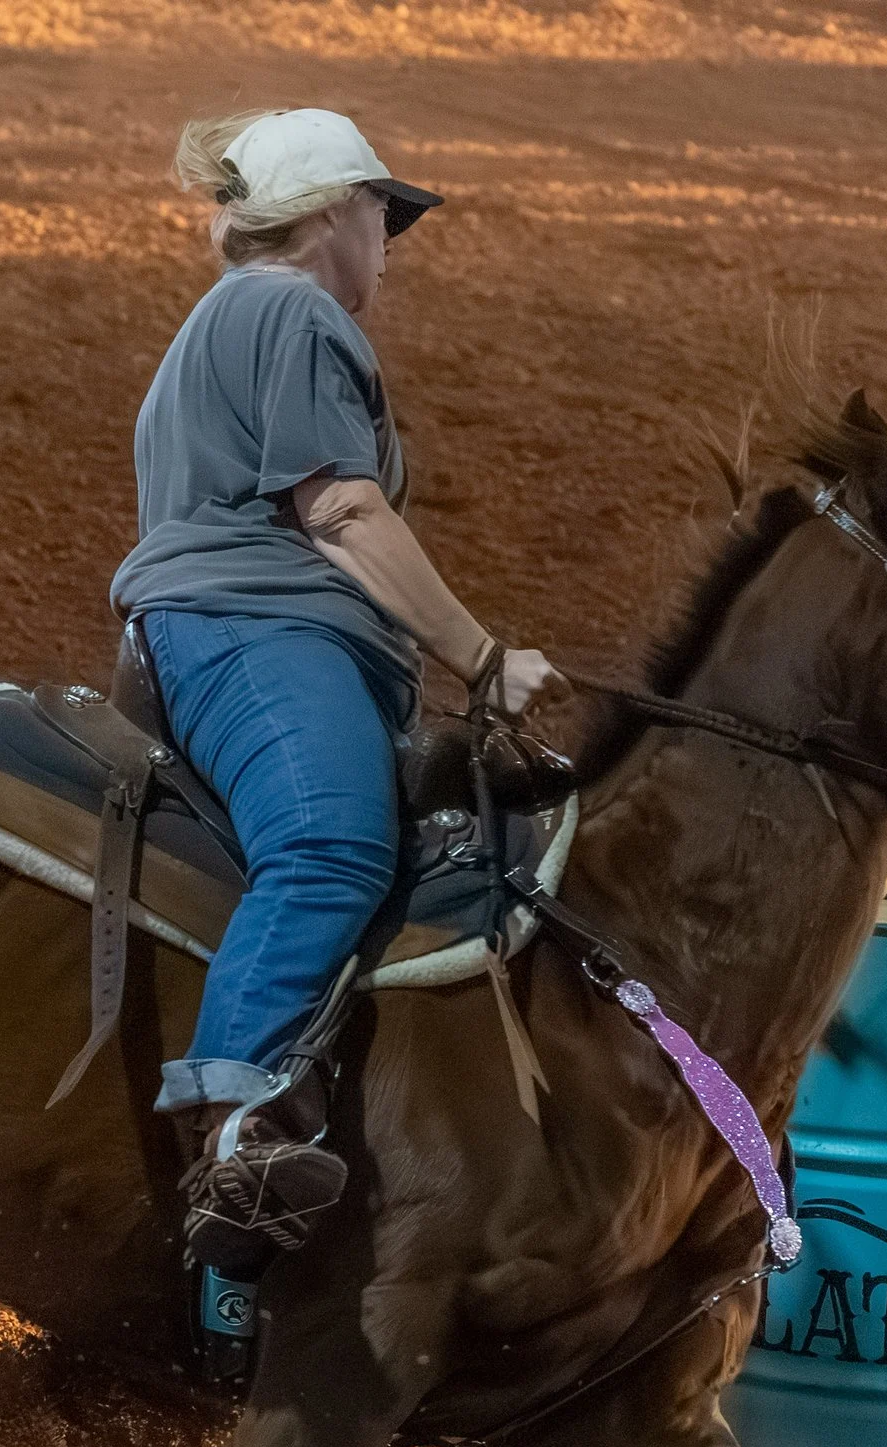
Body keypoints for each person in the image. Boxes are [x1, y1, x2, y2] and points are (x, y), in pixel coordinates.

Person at [109, 107, 561, 1281]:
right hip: (255, 634)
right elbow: (342, 512)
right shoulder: (288, 308)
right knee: (329, 847)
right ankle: (239, 1129)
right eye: (380, 209)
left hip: (269, 640)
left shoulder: (235, 321)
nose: (390, 236)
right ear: (323, 213)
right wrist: (482, 654)